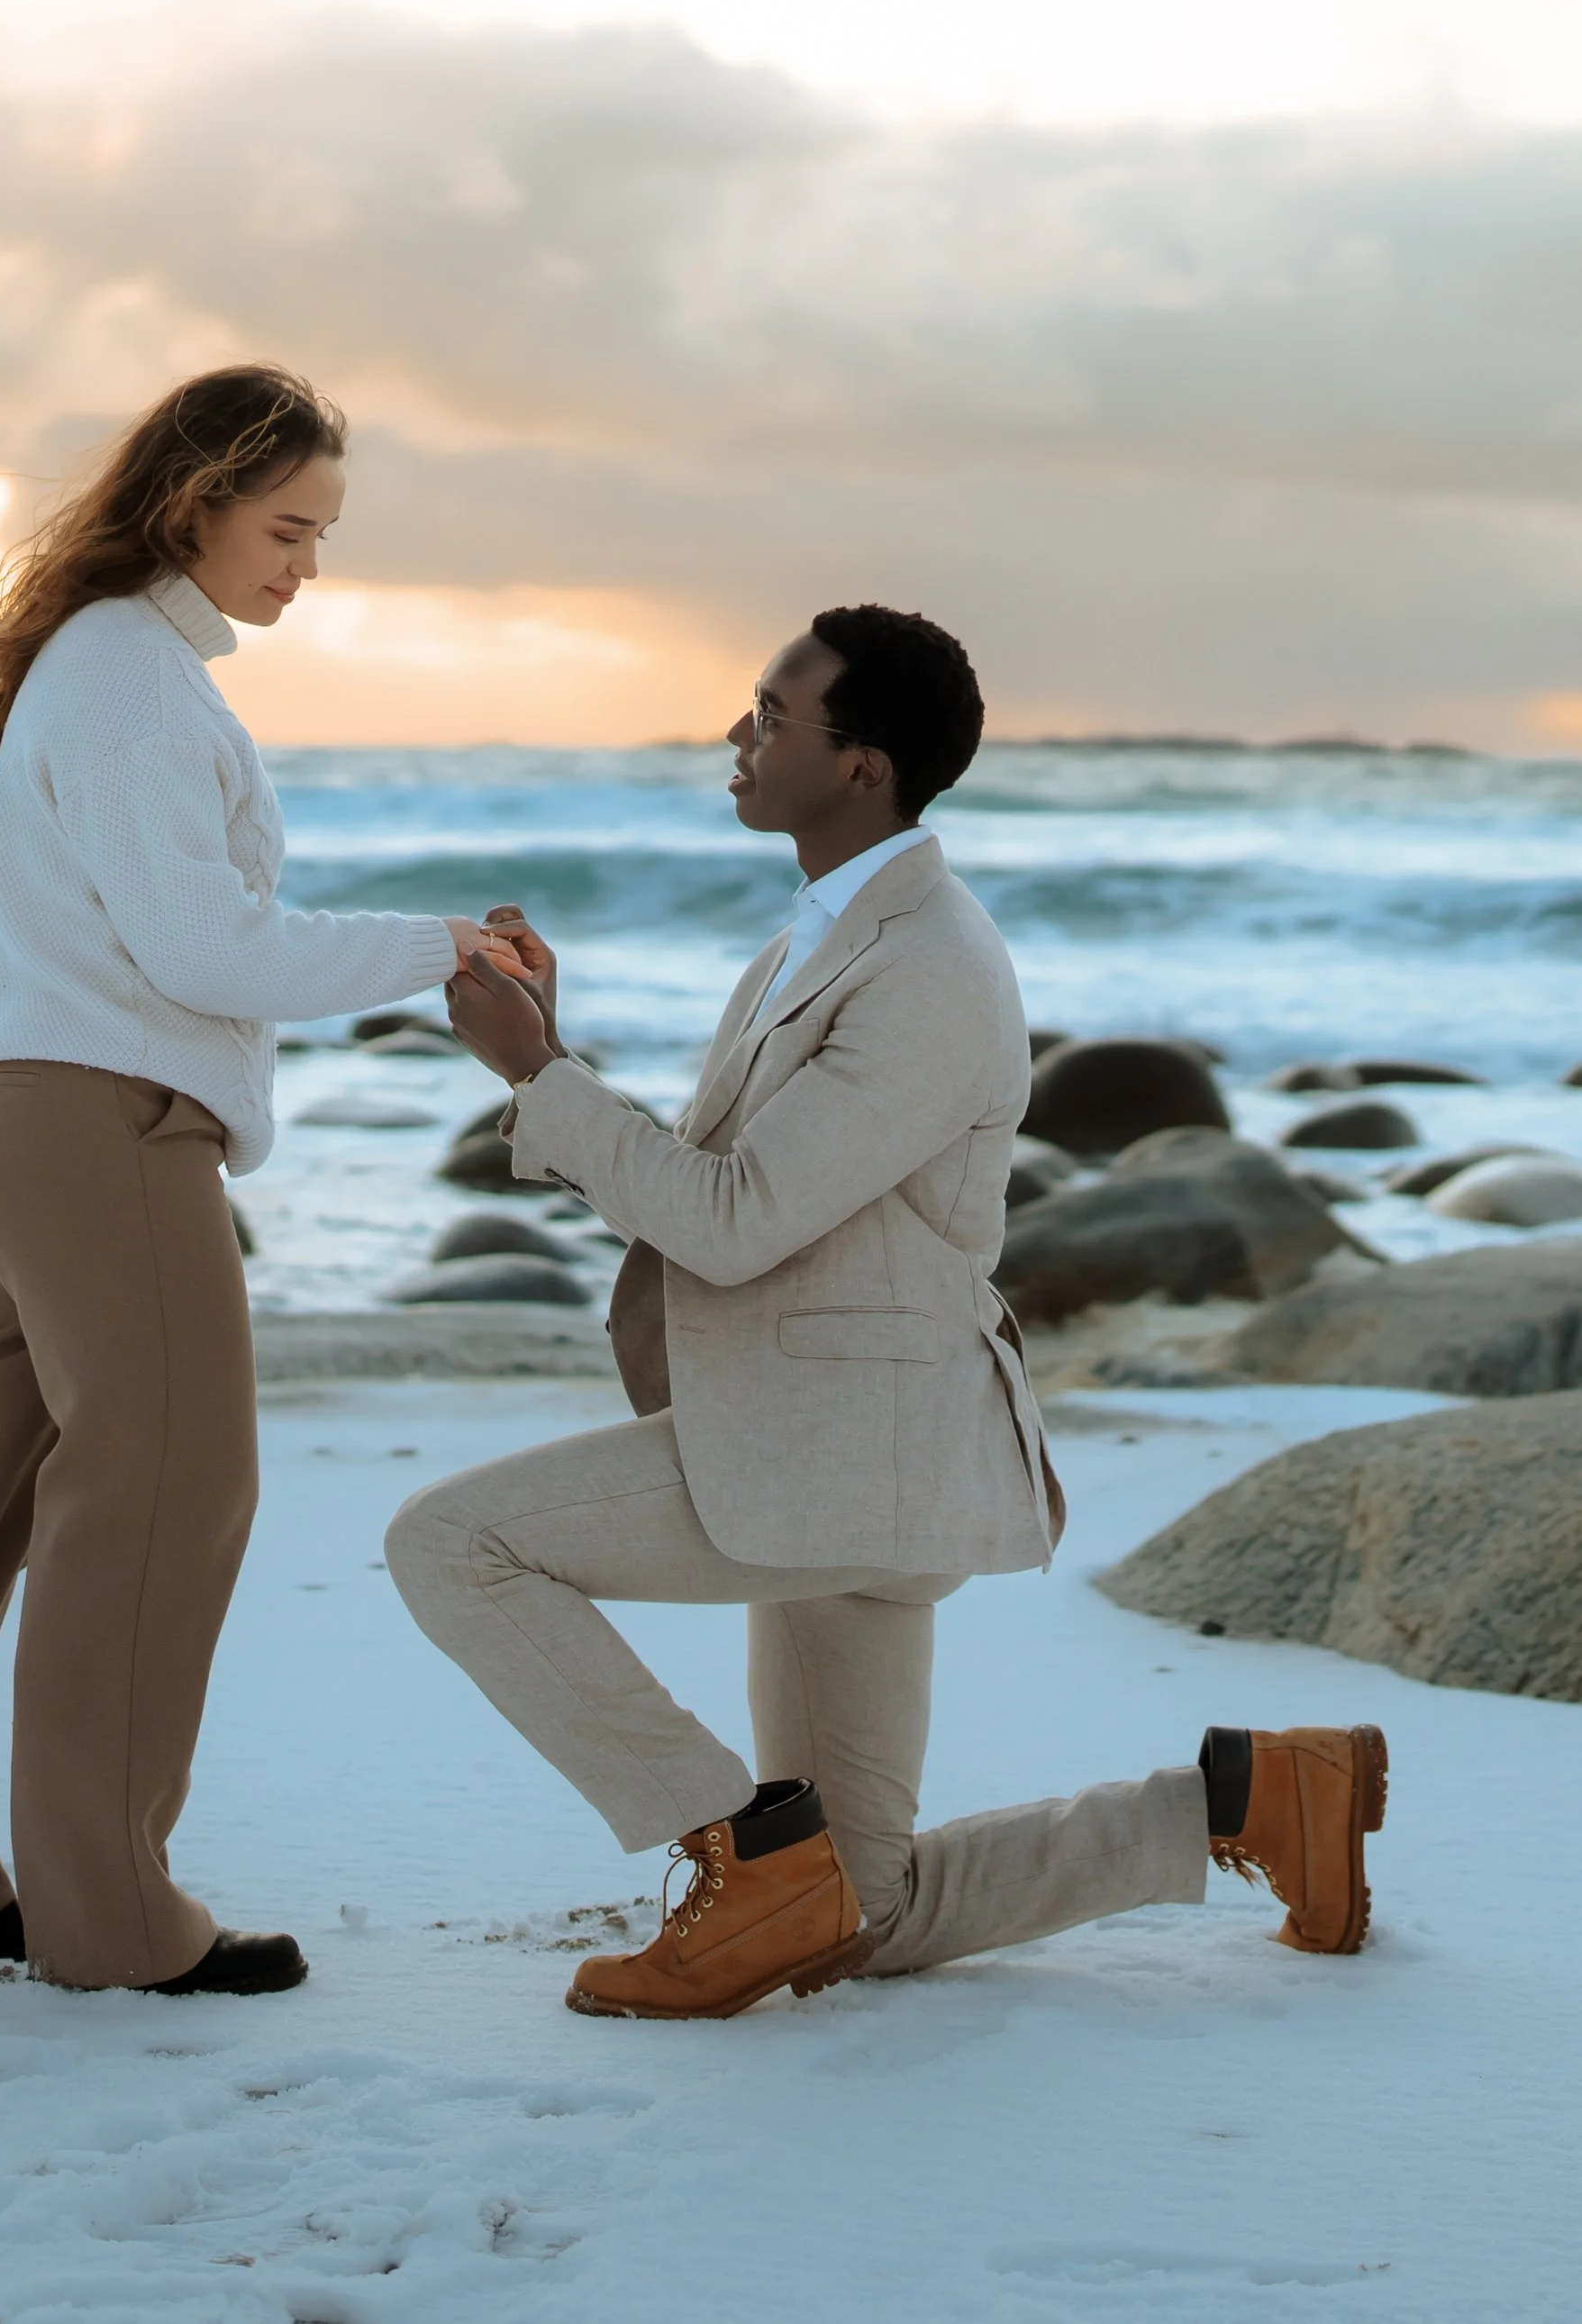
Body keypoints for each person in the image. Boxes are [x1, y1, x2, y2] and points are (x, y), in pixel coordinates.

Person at [388, 603, 1387, 2020]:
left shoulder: (928, 966)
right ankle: (1255, 1798)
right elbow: (736, 1185)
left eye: (771, 712)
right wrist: (552, 1053)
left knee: (452, 1544)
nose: (738, 733)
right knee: (864, 1914)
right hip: (823, 1435)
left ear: (863, 765)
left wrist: (537, 1082)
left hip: (840, 1446)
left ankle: (744, 1855)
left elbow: (728, 1224)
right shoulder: (829, 930)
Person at [0, 362, 514, 1997]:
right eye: (288, 527)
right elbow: (204, 947)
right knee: (169, 1487)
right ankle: (110, 1916)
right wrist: (447, 946)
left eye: (323, 533)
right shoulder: (135, 680)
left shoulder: (108, 665)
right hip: (97, 1128)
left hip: (5, 1110)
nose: (307, 566)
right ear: (193, 499)